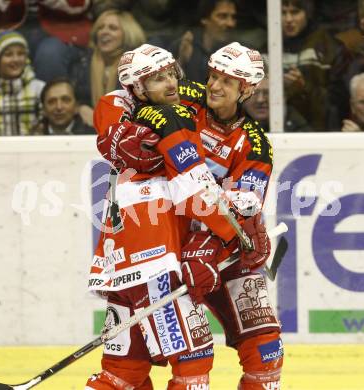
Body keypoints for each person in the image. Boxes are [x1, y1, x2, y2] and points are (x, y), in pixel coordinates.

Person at [91, 43, 282, 389]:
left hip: (215, 246)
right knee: (145, 366)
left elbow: (238, 211)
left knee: (266, 348)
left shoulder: (254, 145)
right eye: (213, 76)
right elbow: (116, 99)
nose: (215, 86)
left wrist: (218, 245)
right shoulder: (182, 97)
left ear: (247, 89)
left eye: (228, 81)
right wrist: (116, 134)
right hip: (165, 244)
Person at [281, 0, 352, 131]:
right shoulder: (268, 48)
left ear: (307, 13)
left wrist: (303, 88)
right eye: (282, 13)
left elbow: (338, 105)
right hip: (278, 130)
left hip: (319, 132)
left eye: (295, 12)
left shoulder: (330, 48)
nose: (288, 19)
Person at [69, 9, 146, 127]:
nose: (104, 32)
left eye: (112, 28)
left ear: (127, 34)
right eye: (100, 28)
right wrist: (79, 108)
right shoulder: (83, 63)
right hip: (86, 131)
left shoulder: (138, 66)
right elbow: (69, 99)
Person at [0, 29, 44, 136]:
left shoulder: (39, 89)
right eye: (8, 55)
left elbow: (43, 126)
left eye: (21, 54)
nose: (16, 59)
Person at [169, 0, 238, 83]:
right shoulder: (183, 45)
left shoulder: (240, 53)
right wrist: (182, 60)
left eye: (233, 17)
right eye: (222, 16)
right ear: (204, 18)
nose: (231, 23)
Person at [243, 76, 312, 132]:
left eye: (267, 93)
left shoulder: (297, 126)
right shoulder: (234, 124)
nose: (260, 100)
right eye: (254, 93)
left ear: (283, 97)